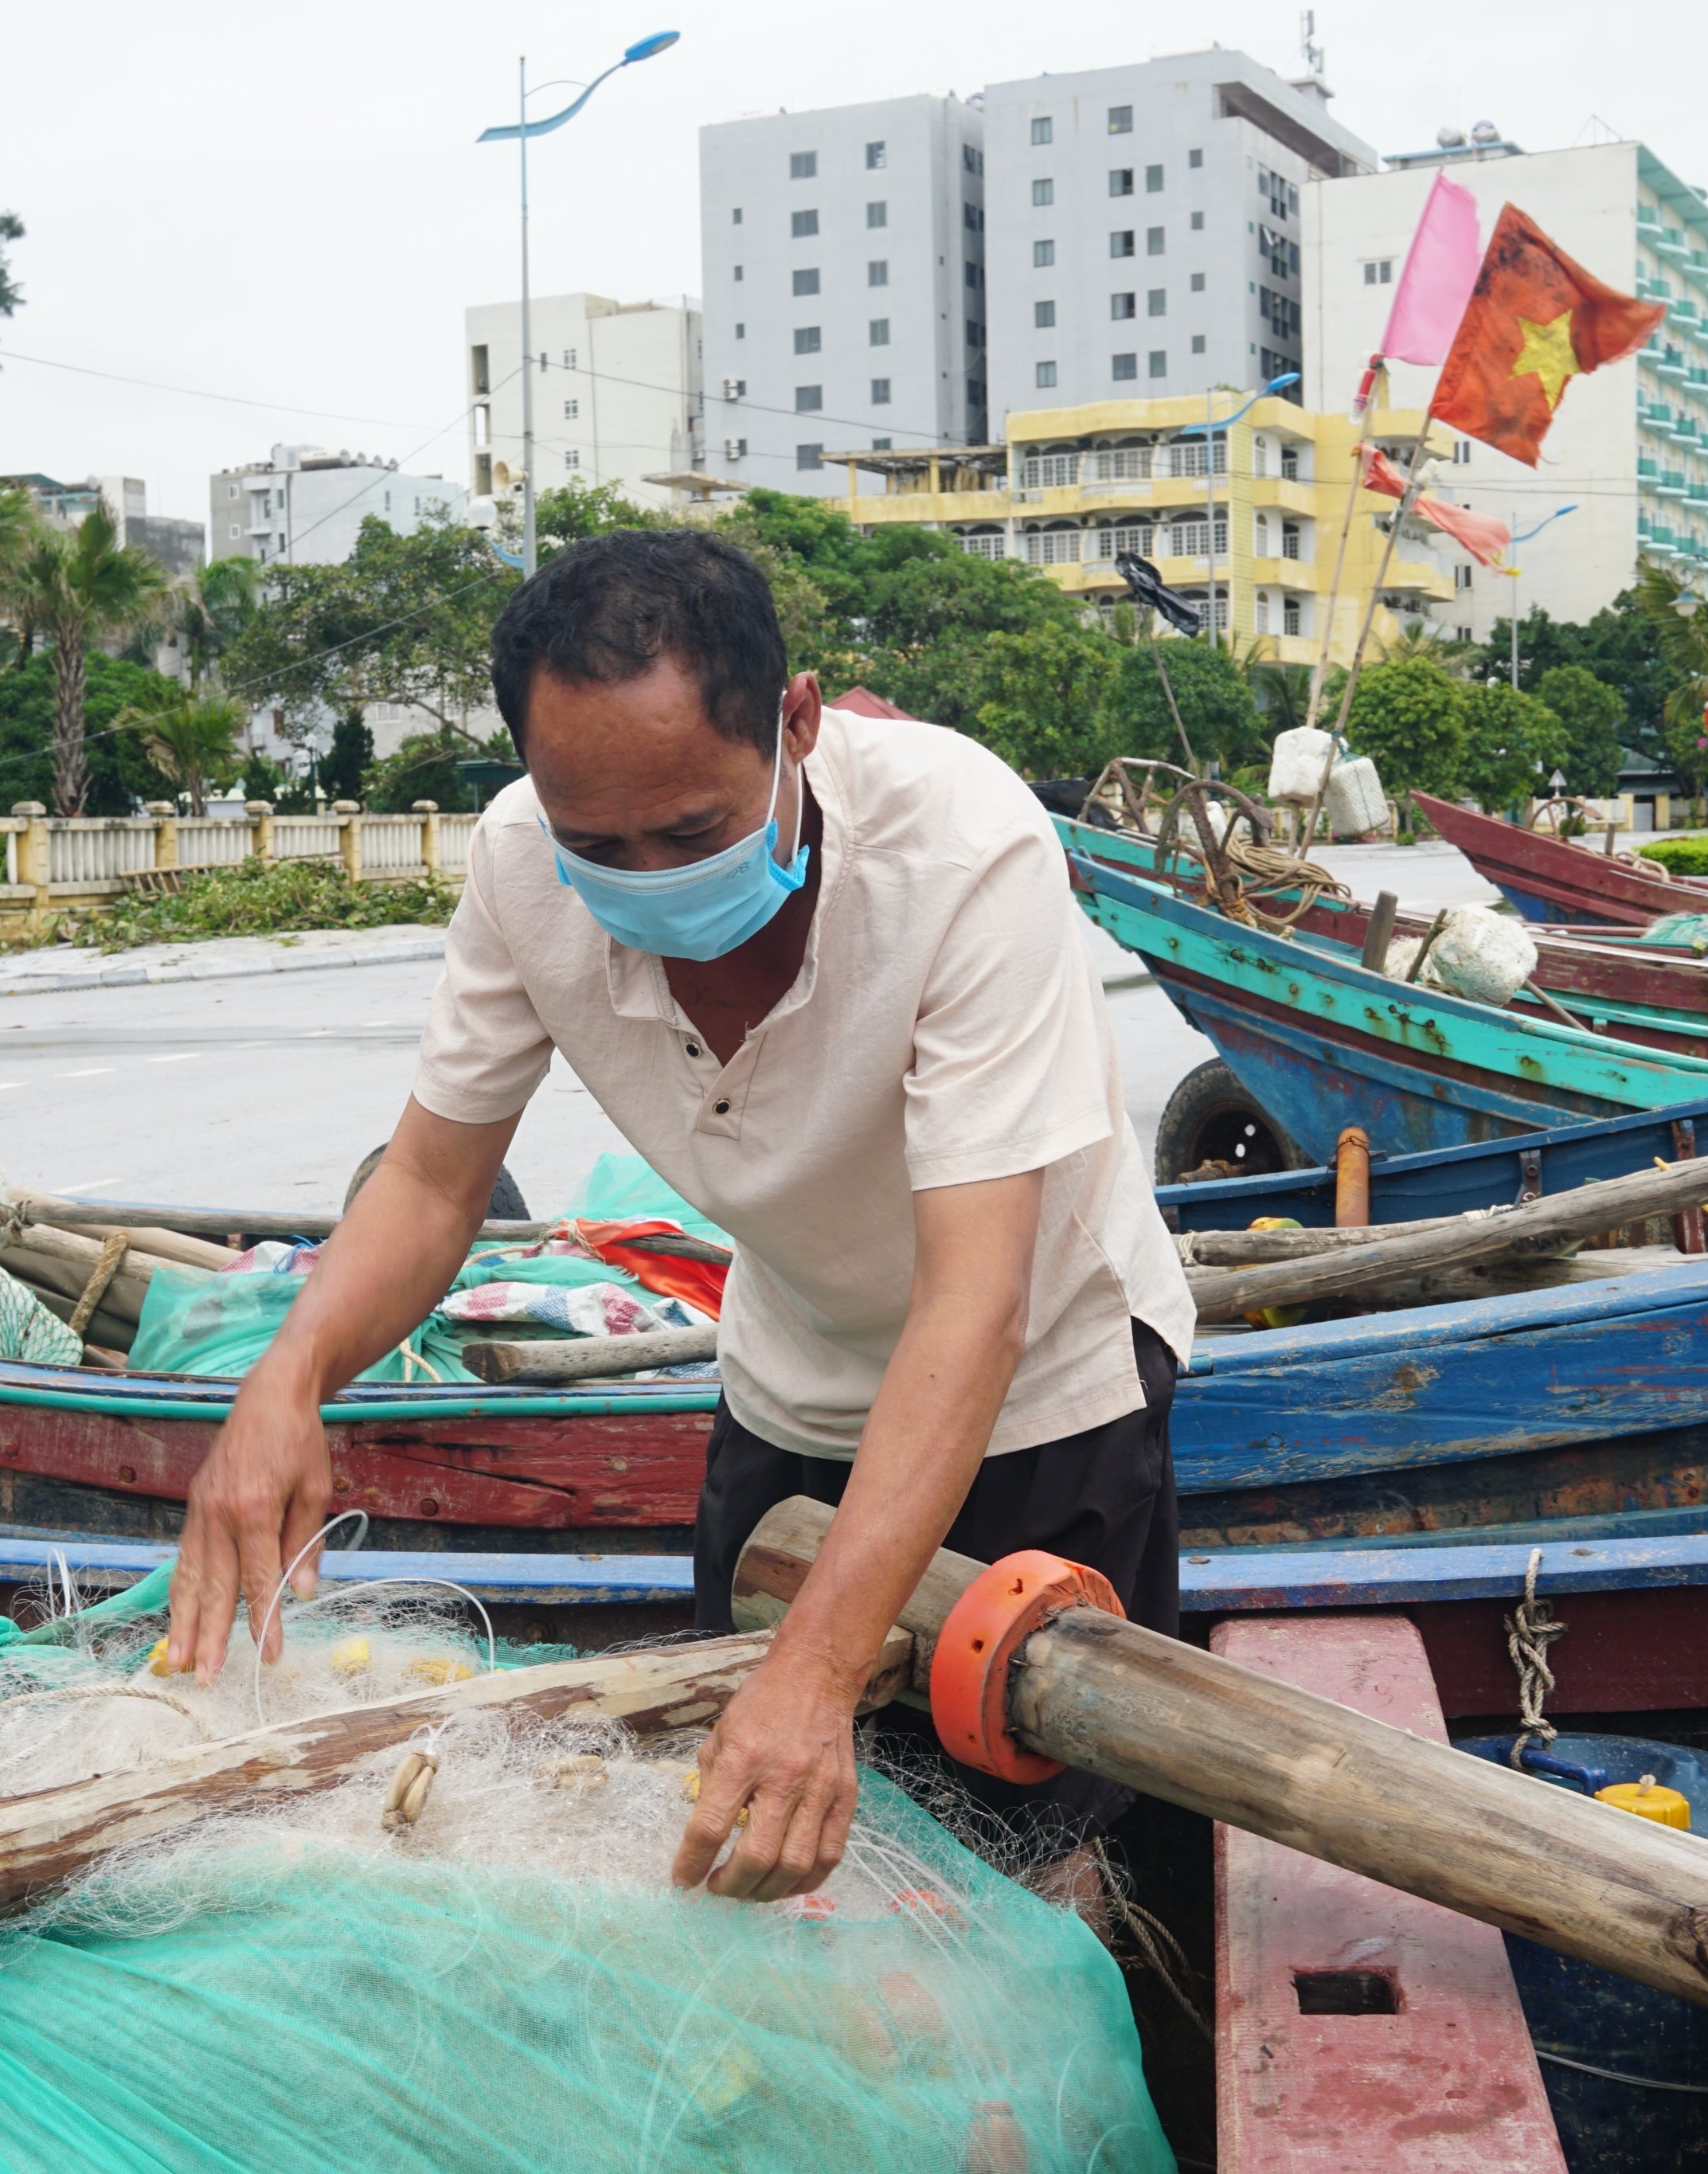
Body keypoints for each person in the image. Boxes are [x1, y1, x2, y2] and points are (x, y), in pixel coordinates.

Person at [162, 529, 1193, 1901]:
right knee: (745, 1823)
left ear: (798, 721)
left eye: (694, 832)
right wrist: (283, 1382)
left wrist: (823, 1668)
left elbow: (977, 1299)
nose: (646, 881)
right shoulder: (521, 866)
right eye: (599, 844)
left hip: (1044, 1389)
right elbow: (427, 1180)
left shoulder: (964, 849)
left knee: (1022, 1864)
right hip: (790, 1379)